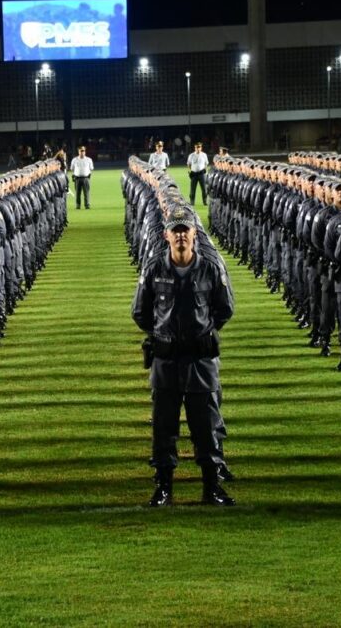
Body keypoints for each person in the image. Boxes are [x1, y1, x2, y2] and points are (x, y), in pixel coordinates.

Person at [132, 204, 235, 507]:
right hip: (166, 361)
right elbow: (140, 311)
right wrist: (162, 334)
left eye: (185, 230)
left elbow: (225, 308)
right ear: (167, 235)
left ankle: (211, 487)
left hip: (200, 361)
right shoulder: (154, 268)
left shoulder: (210, 268)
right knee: (164, 426)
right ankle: (163, 487)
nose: (180, 236)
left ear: (193, 234)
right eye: (175, 231)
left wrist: (203, 332)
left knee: (206, 424)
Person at [70, 145, 93, 210]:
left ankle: (87, 205)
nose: (82, 152)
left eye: (83, 151)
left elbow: (91, 168)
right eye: (81, 151)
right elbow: (72, 168)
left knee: (86, 192)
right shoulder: (74, 160)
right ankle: (78, 205)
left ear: (85, 151)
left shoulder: (89, 160)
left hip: (86, 178)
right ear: (78, 151)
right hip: (77, 178)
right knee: (77, 193)